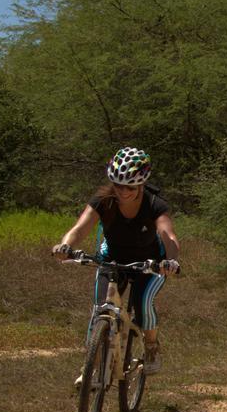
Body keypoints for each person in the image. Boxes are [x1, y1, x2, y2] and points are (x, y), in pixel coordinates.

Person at [52, 147, 181, 375]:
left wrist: (170, 261)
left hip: (150, 263)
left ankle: (151, 347)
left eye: (130, 187)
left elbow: (168, 236)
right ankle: (92, 365)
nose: (123, 191)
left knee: (142, 304)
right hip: (112, 259)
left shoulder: (154, 204)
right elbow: (80, 228)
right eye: (118, 185)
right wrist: (65, 246)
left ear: (141, 184)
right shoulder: (103, 201)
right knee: (100, 308)